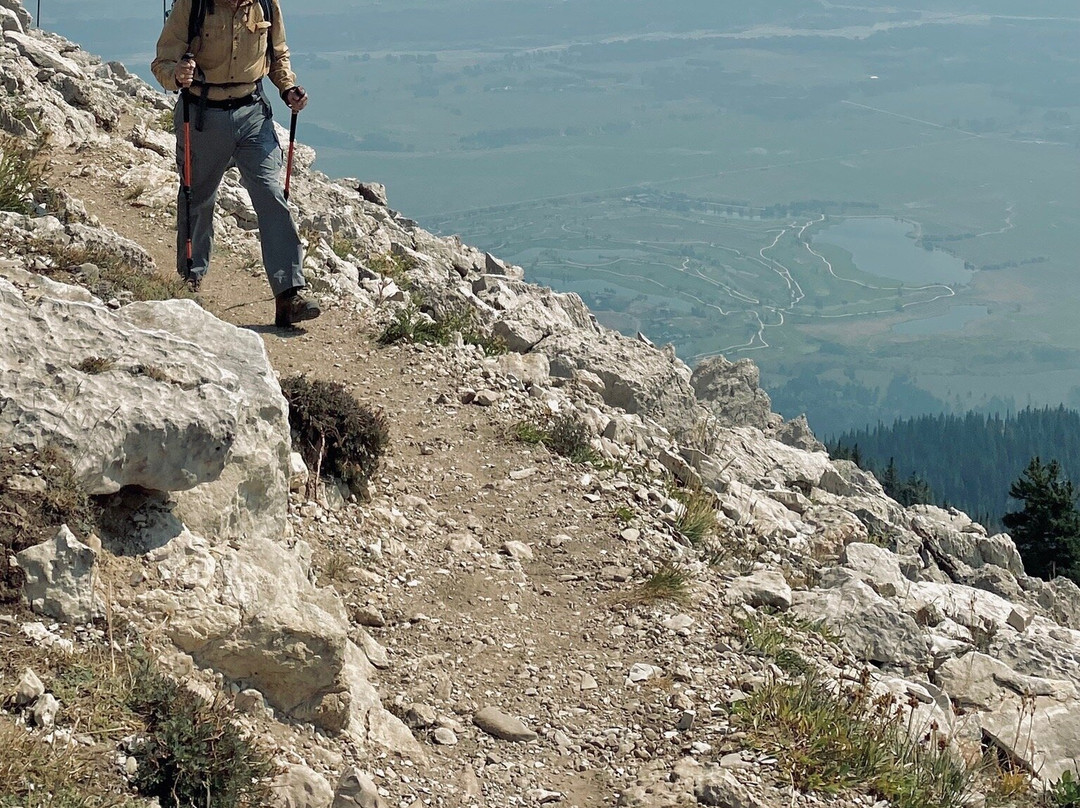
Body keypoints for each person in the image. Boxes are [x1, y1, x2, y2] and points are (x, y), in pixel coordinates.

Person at [151, 0, 321, 328]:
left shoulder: (266, 5)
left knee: (272, 195)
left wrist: (288, 88)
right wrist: (176, 75)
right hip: (202, 114)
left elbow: (277, 54)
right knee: (197, 198)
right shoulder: (194, 4)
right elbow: (163, 61)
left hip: (253, 113)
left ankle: (289, 293)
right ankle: (190, 282)